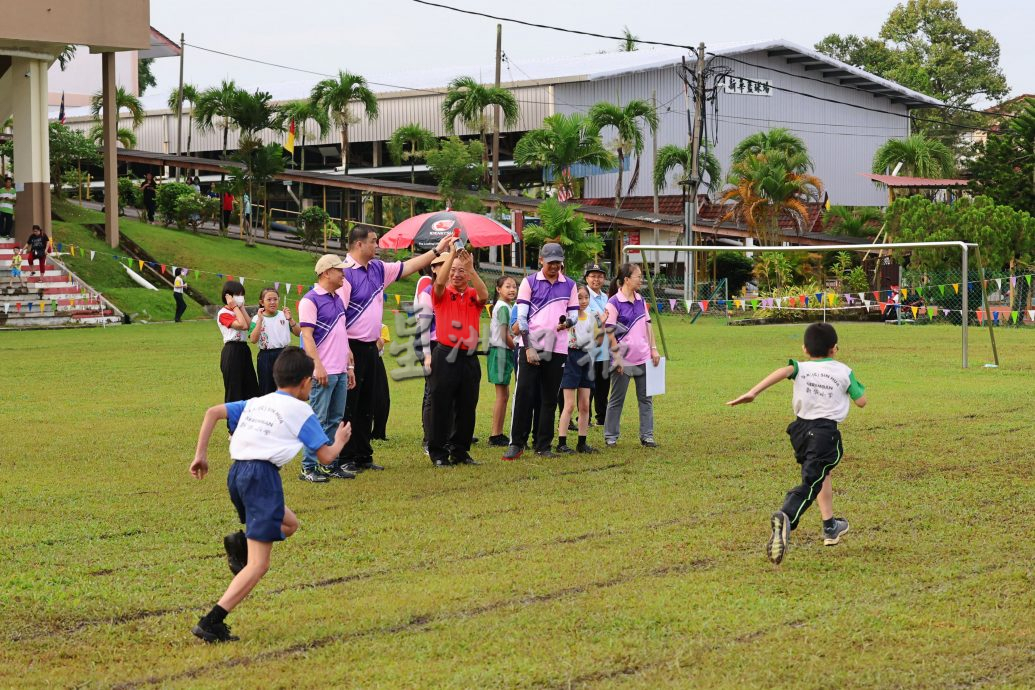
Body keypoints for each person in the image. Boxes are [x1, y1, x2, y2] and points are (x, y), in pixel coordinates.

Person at [188, 346, 353, 643]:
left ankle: (241, 543)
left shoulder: (258, 401)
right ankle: (211, 621)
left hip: (237, 475)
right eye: (311, 382)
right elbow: (326, 457)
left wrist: (201, 455)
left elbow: (212, 413)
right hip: (261, 478)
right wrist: (339, 441)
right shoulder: (302, 410)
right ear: (305, 382)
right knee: (259, 565)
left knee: (290, 524)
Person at [726, 322, 867, 565]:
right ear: (835, 349)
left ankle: (830, 526)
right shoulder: (844, 371)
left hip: (800, 432)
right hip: (824, 433)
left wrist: (753, 393)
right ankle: (786, 516)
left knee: (821, 473)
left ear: (804, 349)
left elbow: (782, 371)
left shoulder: (799, 367)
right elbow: (862, 401)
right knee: (811, 482)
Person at [338, 227, 453, 472]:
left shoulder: (378, 269)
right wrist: (345, 349)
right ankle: (345, 457)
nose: (377, 244)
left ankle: (363, 455)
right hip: (350, 347)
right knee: (350, 404)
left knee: (368, 402)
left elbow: (409, 266)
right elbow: (339, 315)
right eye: (373, 240)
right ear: (358, 244)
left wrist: (437, 250)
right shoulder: (344, 274)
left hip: (372, 347)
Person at [503, 242, 579, 461]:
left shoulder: (570, 285)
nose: (555, 266)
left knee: (549, 398)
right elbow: (522, 319)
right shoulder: (529, 282)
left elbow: (574, 314)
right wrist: (527, 347)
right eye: (550, 262)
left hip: (558, 348)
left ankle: (543, 444)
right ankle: (516, 443)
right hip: (531, 347)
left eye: (558, 262)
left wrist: (567, 323)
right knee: (524, 395)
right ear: (541, 261)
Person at [426, 248, 489, 467]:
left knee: (467, 405)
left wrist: (471, 269)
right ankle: (438, 452)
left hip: (469, 356)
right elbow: (440, 284)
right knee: (441, 404)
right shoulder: (441, 294)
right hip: (445, 354)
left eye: (461, 271)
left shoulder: (472, 294)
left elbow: (484, 295)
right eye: (453, 270)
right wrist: (451, 256)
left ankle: (460, 451)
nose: (457, 274)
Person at [297, 254, 356, 482]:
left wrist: (349, 365)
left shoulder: (337, 299)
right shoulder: (310, 300)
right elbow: (307, 337)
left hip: (340, 370)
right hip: (322, 371)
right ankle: (308, 467)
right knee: (318, 419)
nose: (343, 274)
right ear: (326, 273)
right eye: (339, 270)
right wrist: (317, 366)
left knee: (334, 419)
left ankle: (329, 463)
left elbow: (342, 335)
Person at [602, 263, 661, 449]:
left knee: (646, 399)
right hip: (623, 360)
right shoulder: (613, 302)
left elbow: (648, 325)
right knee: (617, 399)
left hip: (643, 357)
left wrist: (653, 348)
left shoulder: (641, 300)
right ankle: (611, 436)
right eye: (638, 276)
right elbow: (609, 331)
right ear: (626, 279)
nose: (641, 279)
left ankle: (647, 436)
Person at [556, 285, 600, 455]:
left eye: (586, 297)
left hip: (586, 358)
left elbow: (596, 336)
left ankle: (582, 442)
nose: (583, 301)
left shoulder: (591, 317)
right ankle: (562, 442)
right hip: (570, 357)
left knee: (585, 405)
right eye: (579, 298)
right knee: (569, 404)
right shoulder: (569, 318)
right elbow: (561, 328)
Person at [217, 281, 259, 428]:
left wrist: (240, 307)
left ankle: (250, 424)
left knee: (251, 388)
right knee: (234, 390)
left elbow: (249, 327)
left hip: (243, 350)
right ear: (228, 296)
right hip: (231, 350)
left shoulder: (237, 310)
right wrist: (235, 307)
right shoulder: (223, 313)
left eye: (242, 295)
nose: (240, 297)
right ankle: (233, 428)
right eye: (237, 295)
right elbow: (242, 325)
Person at [250, 288, 301, 396]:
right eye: (269, 299)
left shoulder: (283, 315)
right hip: (266, 356)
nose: (273, 302)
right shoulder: (256, 318)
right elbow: (253, 340)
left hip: (284, 354)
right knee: (267, 388)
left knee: (286, 387)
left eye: (275, 299)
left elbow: (298, 333)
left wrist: (291, 319)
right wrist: (260, 320)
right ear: (261, 302)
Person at [487, 275, 517, 447]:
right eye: (508, 286)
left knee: (504, 395)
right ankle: (495, 434)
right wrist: (518, 350)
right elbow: (505, 335)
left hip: (502, 352)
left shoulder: (506, 306)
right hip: (501, 352)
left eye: (514, 286)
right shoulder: (504, 307)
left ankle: (497, 433)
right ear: (498, 289)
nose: (512, 289)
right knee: (501, 396)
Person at [584, 263, 610, 426]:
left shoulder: (606, 298)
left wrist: (603, 318)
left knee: (603, 385)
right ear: (587, 278)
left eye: (600, 276)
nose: (596, 279)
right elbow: (596, 319)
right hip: (589, 349)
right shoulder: (583, 296)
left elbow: (609, 319)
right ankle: (584, 418)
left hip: (605, 349)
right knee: (588, 386)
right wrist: (603, 318)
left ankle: (602, 418)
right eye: (593, 276)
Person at [371, 322, 391, 441]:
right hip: (355, 362)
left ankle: (378, 432)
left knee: (382, 398)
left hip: (376, 360)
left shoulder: (382, 327)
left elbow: (379, 345)